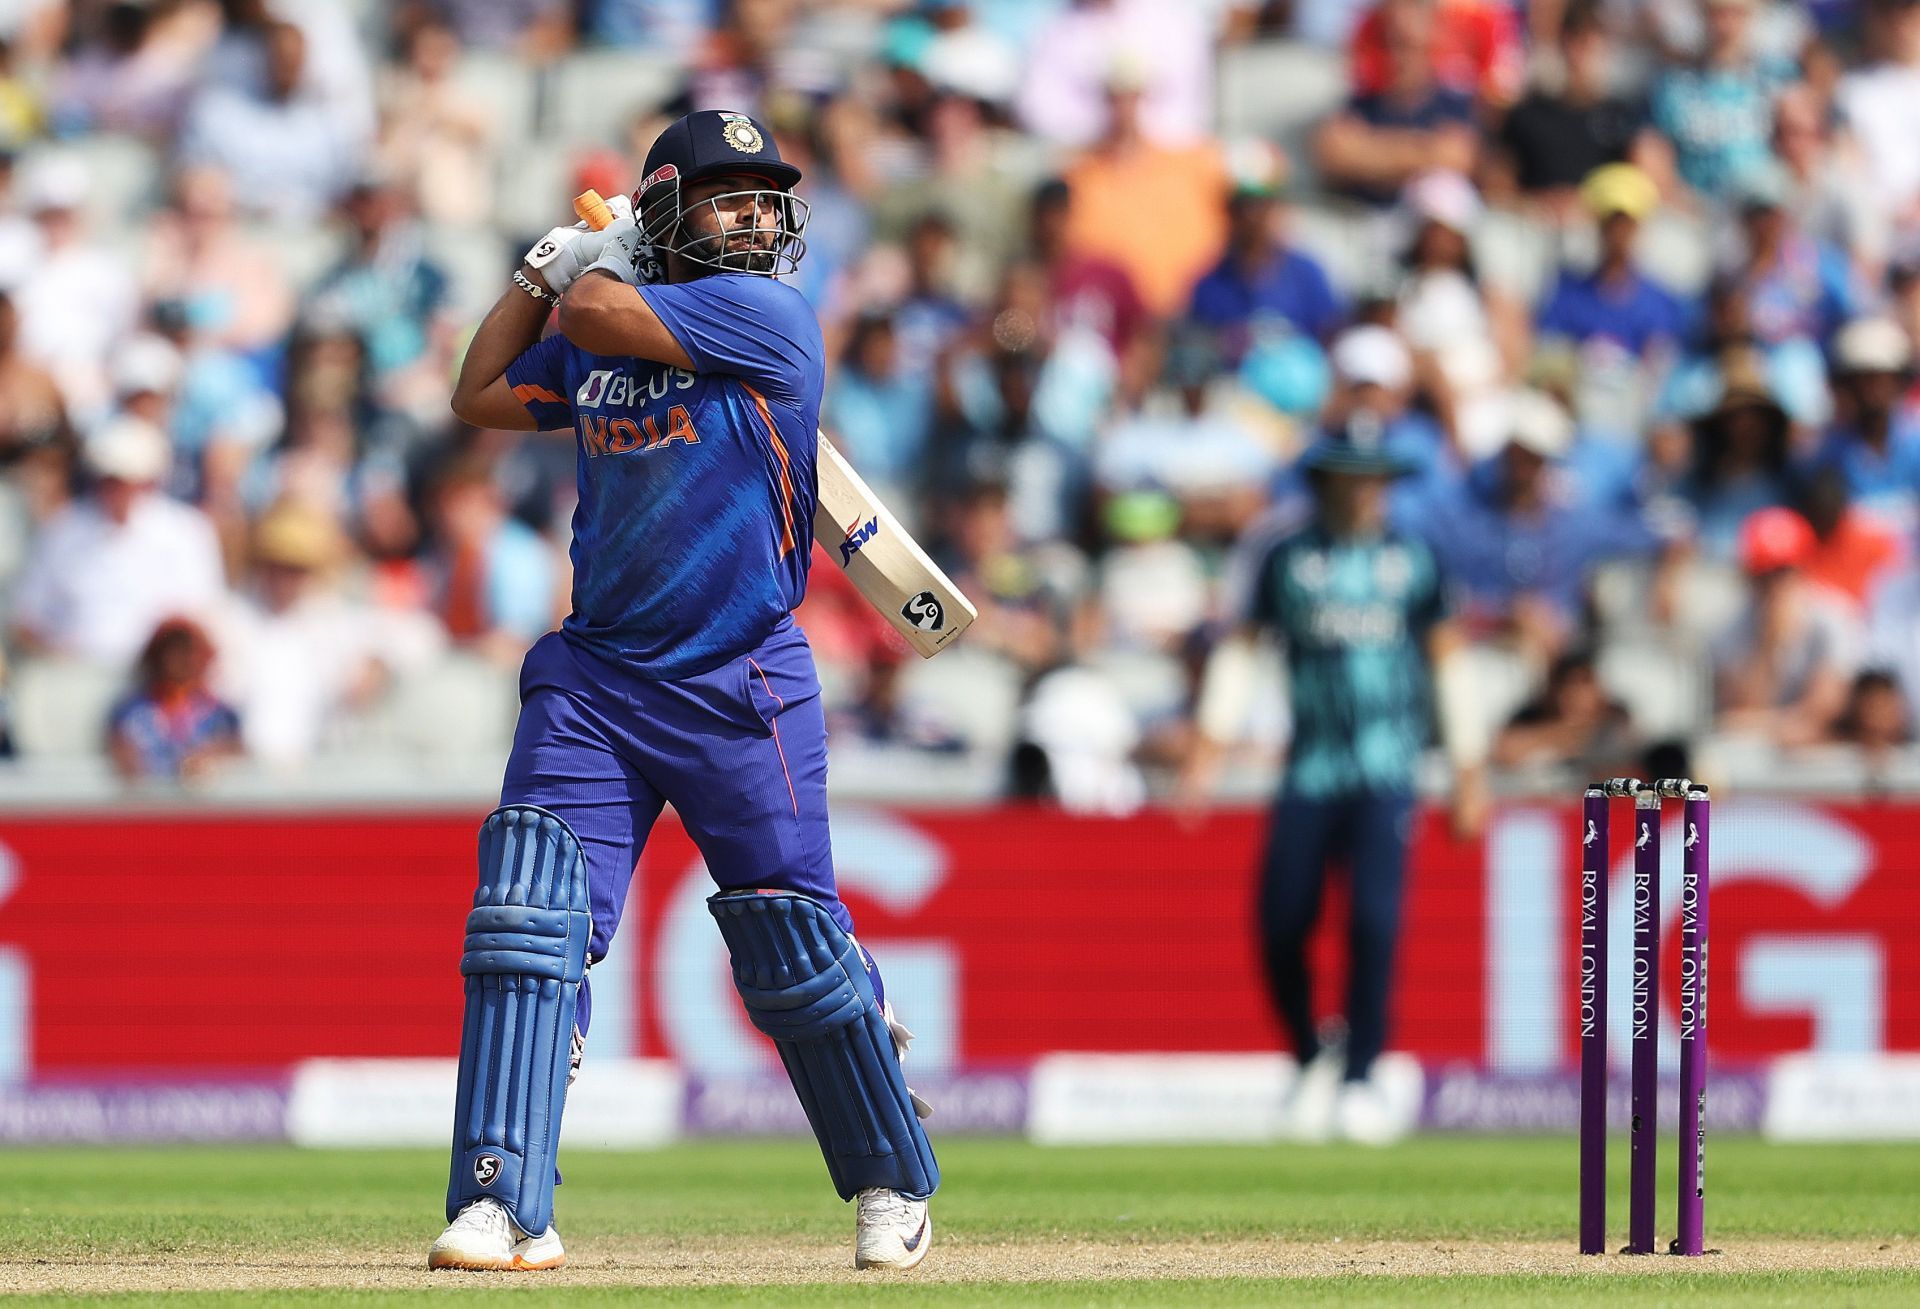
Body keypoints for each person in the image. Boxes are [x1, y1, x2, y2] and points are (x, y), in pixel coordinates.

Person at [428, 110, 938, 1273]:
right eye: (726, 196)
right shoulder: (604, 325)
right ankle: (505, 1205)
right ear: (666, 209)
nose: (755, 216)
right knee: (526, 918)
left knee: (792, 949)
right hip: (597, 678)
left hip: (737, 680)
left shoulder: (765, 315)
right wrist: (531, 272)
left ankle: (890, 1181)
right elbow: (484, 390)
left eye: (766, 197)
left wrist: (586, 271)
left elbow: (604, 311)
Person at [1178, 423, 1489, 1146]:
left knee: (1374, 923)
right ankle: (1312, 1053)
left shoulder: (1413, 557)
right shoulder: (1288, 556)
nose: (1359, 490)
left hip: (1388, 770)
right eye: (1346, 475)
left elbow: (1448, 658)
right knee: (1280, 920)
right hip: (1310, 768)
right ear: (1322, 481)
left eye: (1371, 475)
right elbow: (1244, 649)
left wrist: (1470, 769)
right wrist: (1208, 746)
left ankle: (1363, 1075)